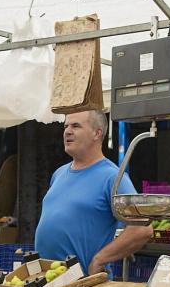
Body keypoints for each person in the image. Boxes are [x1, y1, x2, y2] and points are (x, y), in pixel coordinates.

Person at [33, 109, 153, 275]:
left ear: (97, 133)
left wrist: (100, 259)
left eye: (76, 126)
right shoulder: (59, 173)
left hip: (84, 285)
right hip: (48, 279)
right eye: (66, 126)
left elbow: (142, 229)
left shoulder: (113, 177)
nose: (67, 131)